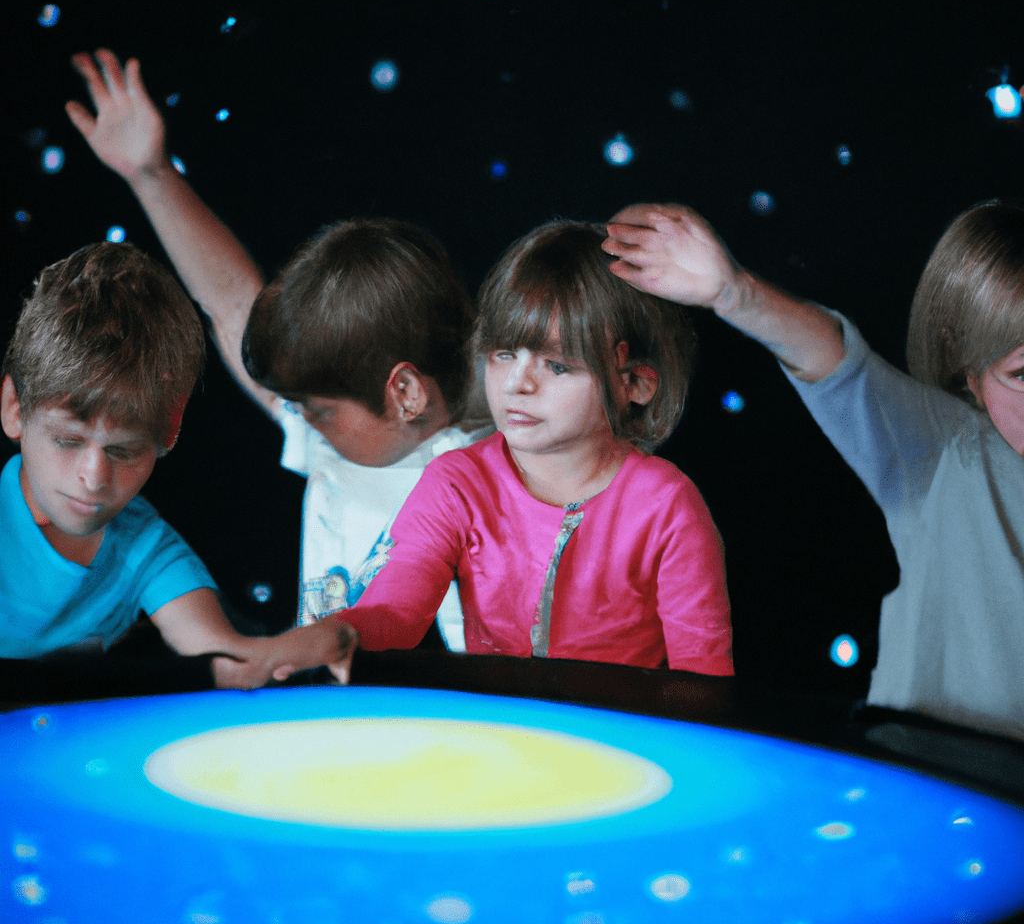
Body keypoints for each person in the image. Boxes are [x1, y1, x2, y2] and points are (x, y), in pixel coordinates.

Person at [65, 50, 489, 651]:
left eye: (316, 409)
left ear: (405, 393)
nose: (299, 418)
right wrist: (150, 174)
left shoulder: (487, 484)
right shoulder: (346, 442)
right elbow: (231, 303)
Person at [602, 201, 1024, 741]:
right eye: (1021, 373)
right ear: (971, 380)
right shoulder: (949, 453)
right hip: (929, 782)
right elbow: (835, 364)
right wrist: (733, 291)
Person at [336, 221, 734, 673]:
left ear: (635, 384)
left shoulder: (668, 506)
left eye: (557, 366)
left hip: (618, 739)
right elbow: (393, 614)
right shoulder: (457, 482)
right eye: (504, 354)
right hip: (499, 735)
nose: (516, 384)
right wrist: (327, 639)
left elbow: (702, 681)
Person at [1, 241, 353, 686]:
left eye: (122, 450)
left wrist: (326, 638)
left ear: (169, 429)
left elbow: (231, 663)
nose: (93, 478)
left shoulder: (146, 548)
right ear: (14, 407)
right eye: (68, 441)